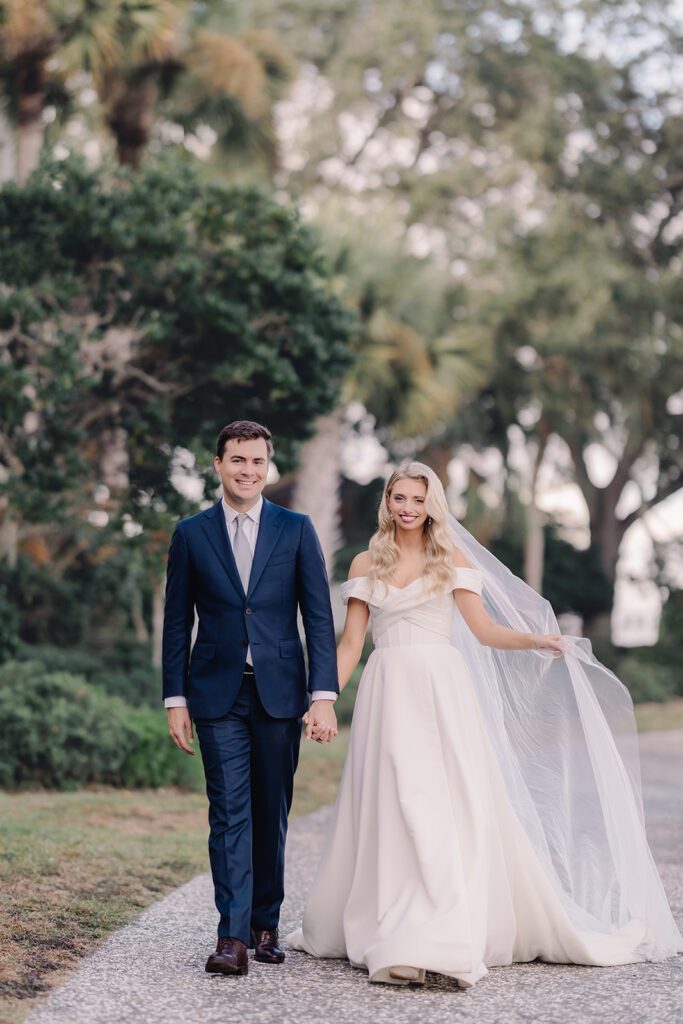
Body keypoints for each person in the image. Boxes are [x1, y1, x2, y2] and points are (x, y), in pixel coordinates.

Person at [288, 462, 682, 987]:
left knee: (439, 806)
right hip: (387, 690)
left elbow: (484, 630)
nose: (407, 508)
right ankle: (393, 915)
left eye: (417, 499)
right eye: (399, 497)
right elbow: (352, 645)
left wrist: (538, 641)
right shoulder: (367, 561)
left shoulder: (450, 556)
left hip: (441, 693)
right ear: (387, 501)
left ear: (433, 504)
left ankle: (440, 934)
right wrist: (323, 700)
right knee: (391, 801)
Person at [162, 420, 339, 977]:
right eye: (238, 460)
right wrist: (175, 698)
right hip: (215, 693)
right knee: (229, 814)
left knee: (271, 811)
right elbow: (175, 624)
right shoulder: (191, 534)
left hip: (281, 693)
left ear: (269, 466)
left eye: (258, 461)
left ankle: (266, 923)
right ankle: (232, 937)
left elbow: (318, 615)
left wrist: (324, 694)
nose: (248, 471)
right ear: (218, 464)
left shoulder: (296, 529)